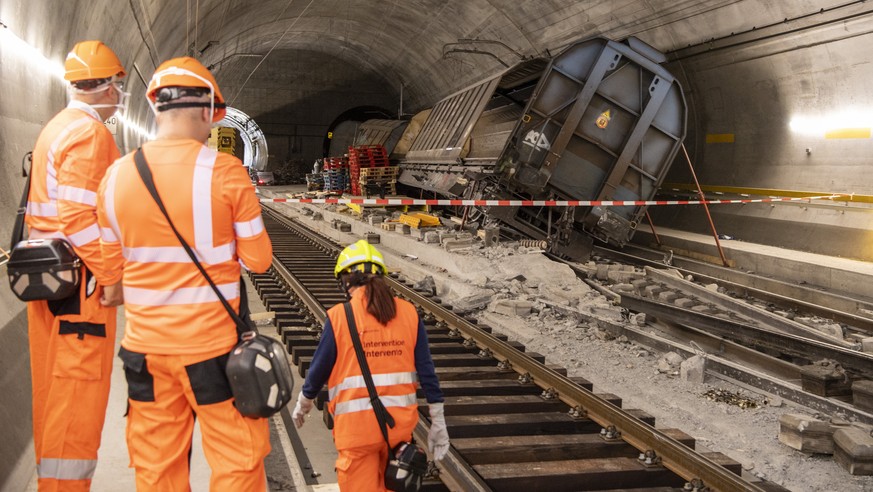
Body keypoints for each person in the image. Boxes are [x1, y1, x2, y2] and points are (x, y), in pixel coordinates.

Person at [95, 56, 273, 490]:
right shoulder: (226, 172)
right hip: (213, 351)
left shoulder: (114, 178)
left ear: (155, 107)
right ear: (208, 109)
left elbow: (109, 276)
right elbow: (259, 261)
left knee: (157, 468)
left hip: (146, 353)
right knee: (237, 461)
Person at [24, 39, 127, 491]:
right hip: (80, 293)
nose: (120, 94)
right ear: (106, 88)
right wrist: (111, 275)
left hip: (50, 282)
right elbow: (78, 217)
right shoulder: (90, 134)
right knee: (76, 401)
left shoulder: (56, 126)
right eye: (118, 85)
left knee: (52, 396)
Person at [292, 240, 450, 491]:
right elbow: (427, 371)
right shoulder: (409, 313)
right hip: (397, 435)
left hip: (356, 435)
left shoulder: (340, 316)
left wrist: (303, 403)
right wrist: (438, 421)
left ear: (346, 280)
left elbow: (319, 370)